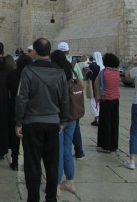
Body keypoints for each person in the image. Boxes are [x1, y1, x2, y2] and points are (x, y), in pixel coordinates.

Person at [15, 38, 70, 202]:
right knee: (52, 164)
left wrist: (18, 121)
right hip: (53, 123)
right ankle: (51, 198)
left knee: (32, 164)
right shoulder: (60, 72)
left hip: (32, 123)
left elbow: (21, 98)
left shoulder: (28, 71)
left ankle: (33, 198)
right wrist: (63, 120)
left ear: (36, 52)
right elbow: (65, 99)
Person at [50, 49, 81, 196]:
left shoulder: (57, 74)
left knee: (58, 150)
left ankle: (55, 186)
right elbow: (81, 86)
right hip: (73, 115)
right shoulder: (72, 71)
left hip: (60, 117)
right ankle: (70, 182)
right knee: (68, 149)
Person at [57, 41, 86, 160]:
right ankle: (79, 151)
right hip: (73, 102)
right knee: (75, 127)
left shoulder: (55, 65)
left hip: (59, 102)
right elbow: (82, 84)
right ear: (68, 51)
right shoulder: (74, 65)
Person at [6, 52, 31, 171]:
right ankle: (27, 163)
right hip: (29, 108)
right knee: (27, 138)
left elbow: (8, 88)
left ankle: (15, 161)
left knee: (15, 135)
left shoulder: (12, 74)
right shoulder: (31, 75)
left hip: (13, 106)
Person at [94, 53, 121, 153]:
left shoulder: (103, 72)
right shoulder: (117, 72)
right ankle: (114, 145)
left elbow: (96, 84)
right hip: (115, 100)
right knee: (114, 123)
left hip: (106, 100)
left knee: (105, 124)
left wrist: (97, 98)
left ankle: (105, 146)